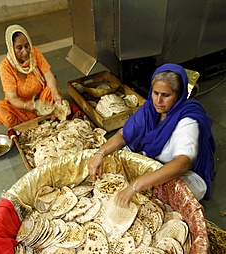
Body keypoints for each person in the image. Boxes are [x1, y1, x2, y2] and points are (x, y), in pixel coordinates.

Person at [88, 63, 216, 205]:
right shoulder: (149, 109)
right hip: (150, 160)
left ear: (179, 96)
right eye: (155, 93)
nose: (158, 101)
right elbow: (124, 134)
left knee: (177, 195)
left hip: (173, 169)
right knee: (111, 159)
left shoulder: (187, 121)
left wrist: (138, 184)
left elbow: (182, 163)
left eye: (166, 95)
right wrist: (100, 154)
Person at [0, 24, 63, 128]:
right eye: (19, 48)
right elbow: (12, 98)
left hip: (39, 101)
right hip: (20, 106)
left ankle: (40, 118)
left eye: (27, 46)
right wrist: (26, 105)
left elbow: (48, 75)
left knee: (52, 91)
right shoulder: (5, 66)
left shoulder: (34, 53)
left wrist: (55, 93)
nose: (25, 51)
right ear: (11, 48)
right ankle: (25, 126)